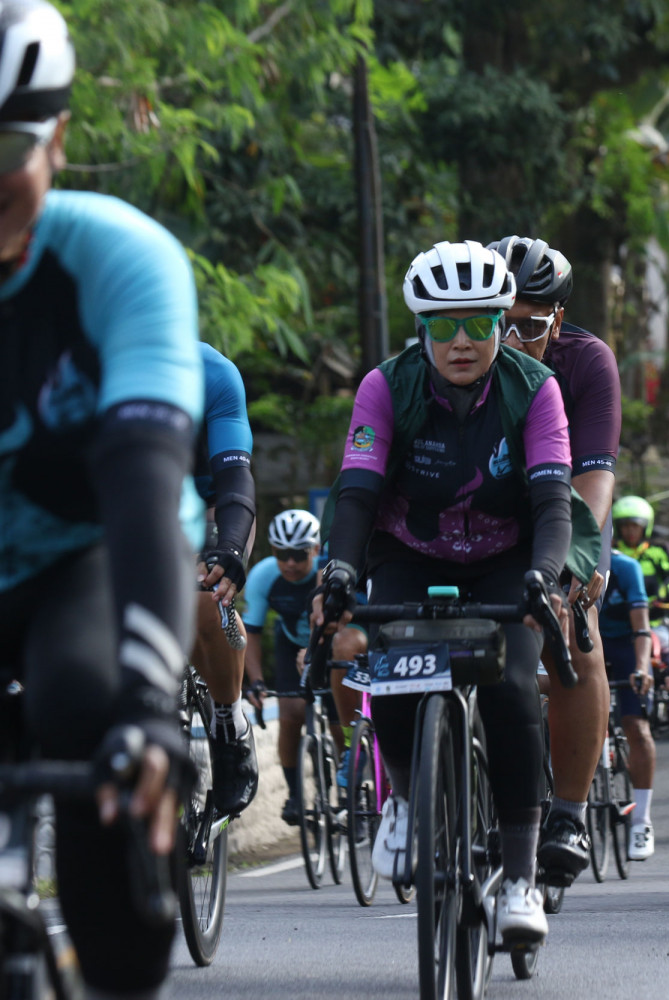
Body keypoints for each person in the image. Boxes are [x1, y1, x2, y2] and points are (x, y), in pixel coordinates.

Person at [0, 6, 203, 992]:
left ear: (58, 141)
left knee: (89, 703)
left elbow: (142, 485)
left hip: (89, 550)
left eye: (3, 149)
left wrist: (148, 706)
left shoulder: (121, 260)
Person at [313, 239, 596, 946]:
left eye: (479, 324)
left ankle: (521, 879)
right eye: (444, 326)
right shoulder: (386, 386)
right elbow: (357, 491)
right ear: (422, 329)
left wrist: (545, 575)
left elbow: (553, 502)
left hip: (509, 557)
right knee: (396, 672)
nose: (462, 342)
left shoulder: (535, 388)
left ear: (502, 323)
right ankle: (406, 801)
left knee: (510, 686)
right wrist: (340, 569)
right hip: (408, 551)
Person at [489, 235, 621, 886]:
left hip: (566, 509)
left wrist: (573, 565)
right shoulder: (456, 350)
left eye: (531, 327)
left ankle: (567, 813)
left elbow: (593, 479)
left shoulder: (587, 363)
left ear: (559, 321)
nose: (513, 341)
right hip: (483, 512)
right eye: (501, 324)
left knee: (575, 635)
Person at [243, 510, 365, 822]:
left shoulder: (327, 573)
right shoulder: (263, 576)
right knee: (290, 715)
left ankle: (350, 795)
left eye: (299, 554)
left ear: (315, 550)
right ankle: (295, 795)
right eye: (281, 554)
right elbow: (251, 633)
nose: (290, 563)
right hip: (289, 644)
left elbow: (329, 622)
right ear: (273, 551)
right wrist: (256, 681)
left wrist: (313, 652)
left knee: (339, 722)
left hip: (330, 640)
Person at [191, 342, 259, 817]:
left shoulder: (213, 373)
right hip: (124, 507)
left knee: (207, 597)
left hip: (209, 504)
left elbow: (235, 480)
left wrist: (230, 548)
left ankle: (228, 722)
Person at [598, 546, 657, 860]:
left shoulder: (626, 567)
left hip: (626, 645)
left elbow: (642, 628)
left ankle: (641, 821)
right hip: (589, 641)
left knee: (636, 727)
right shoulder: (567, 561)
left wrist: (642, 667)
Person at [613, 495, 669, 626]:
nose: (630, 531)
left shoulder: (657, 551)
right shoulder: (612, 552)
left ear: (646, 526)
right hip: (616, 623)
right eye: (625, 526)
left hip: (654, 622)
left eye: (635, 525)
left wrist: (666, 593)